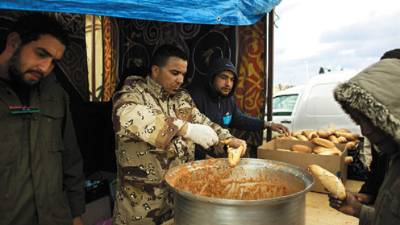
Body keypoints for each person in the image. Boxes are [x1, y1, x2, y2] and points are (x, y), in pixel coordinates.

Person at [112, 44, 246, 225]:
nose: (180, 79)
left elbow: (203, 122)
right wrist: (184, 129)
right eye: (175, 73)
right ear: (155, 70)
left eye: (183, 74)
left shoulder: (181, 98)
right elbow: (127, 116)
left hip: (178, 203)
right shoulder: (133, 93)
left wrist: (227, 139)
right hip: (141, 207)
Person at [0, 14, 85, 225]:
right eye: (41, 54)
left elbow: (71, 159)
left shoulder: (55, 95)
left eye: (53, 62)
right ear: (13, 42)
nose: (45, 68)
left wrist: (76, 214)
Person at [329, 52, 400, 225]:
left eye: (372, 119)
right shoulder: (393, 158)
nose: (364, 131)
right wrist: (358, 210)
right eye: (358, 120)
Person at [189, 57, 289, 159]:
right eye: (223, 77)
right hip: (197, 160)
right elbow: (185, 135)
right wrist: (202, 156)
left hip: (218, 156)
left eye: (232, 79)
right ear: (212, 77)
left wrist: (268, 124)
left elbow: (239, 119)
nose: (228, 84)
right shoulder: (195, 98)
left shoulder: (228, 99)